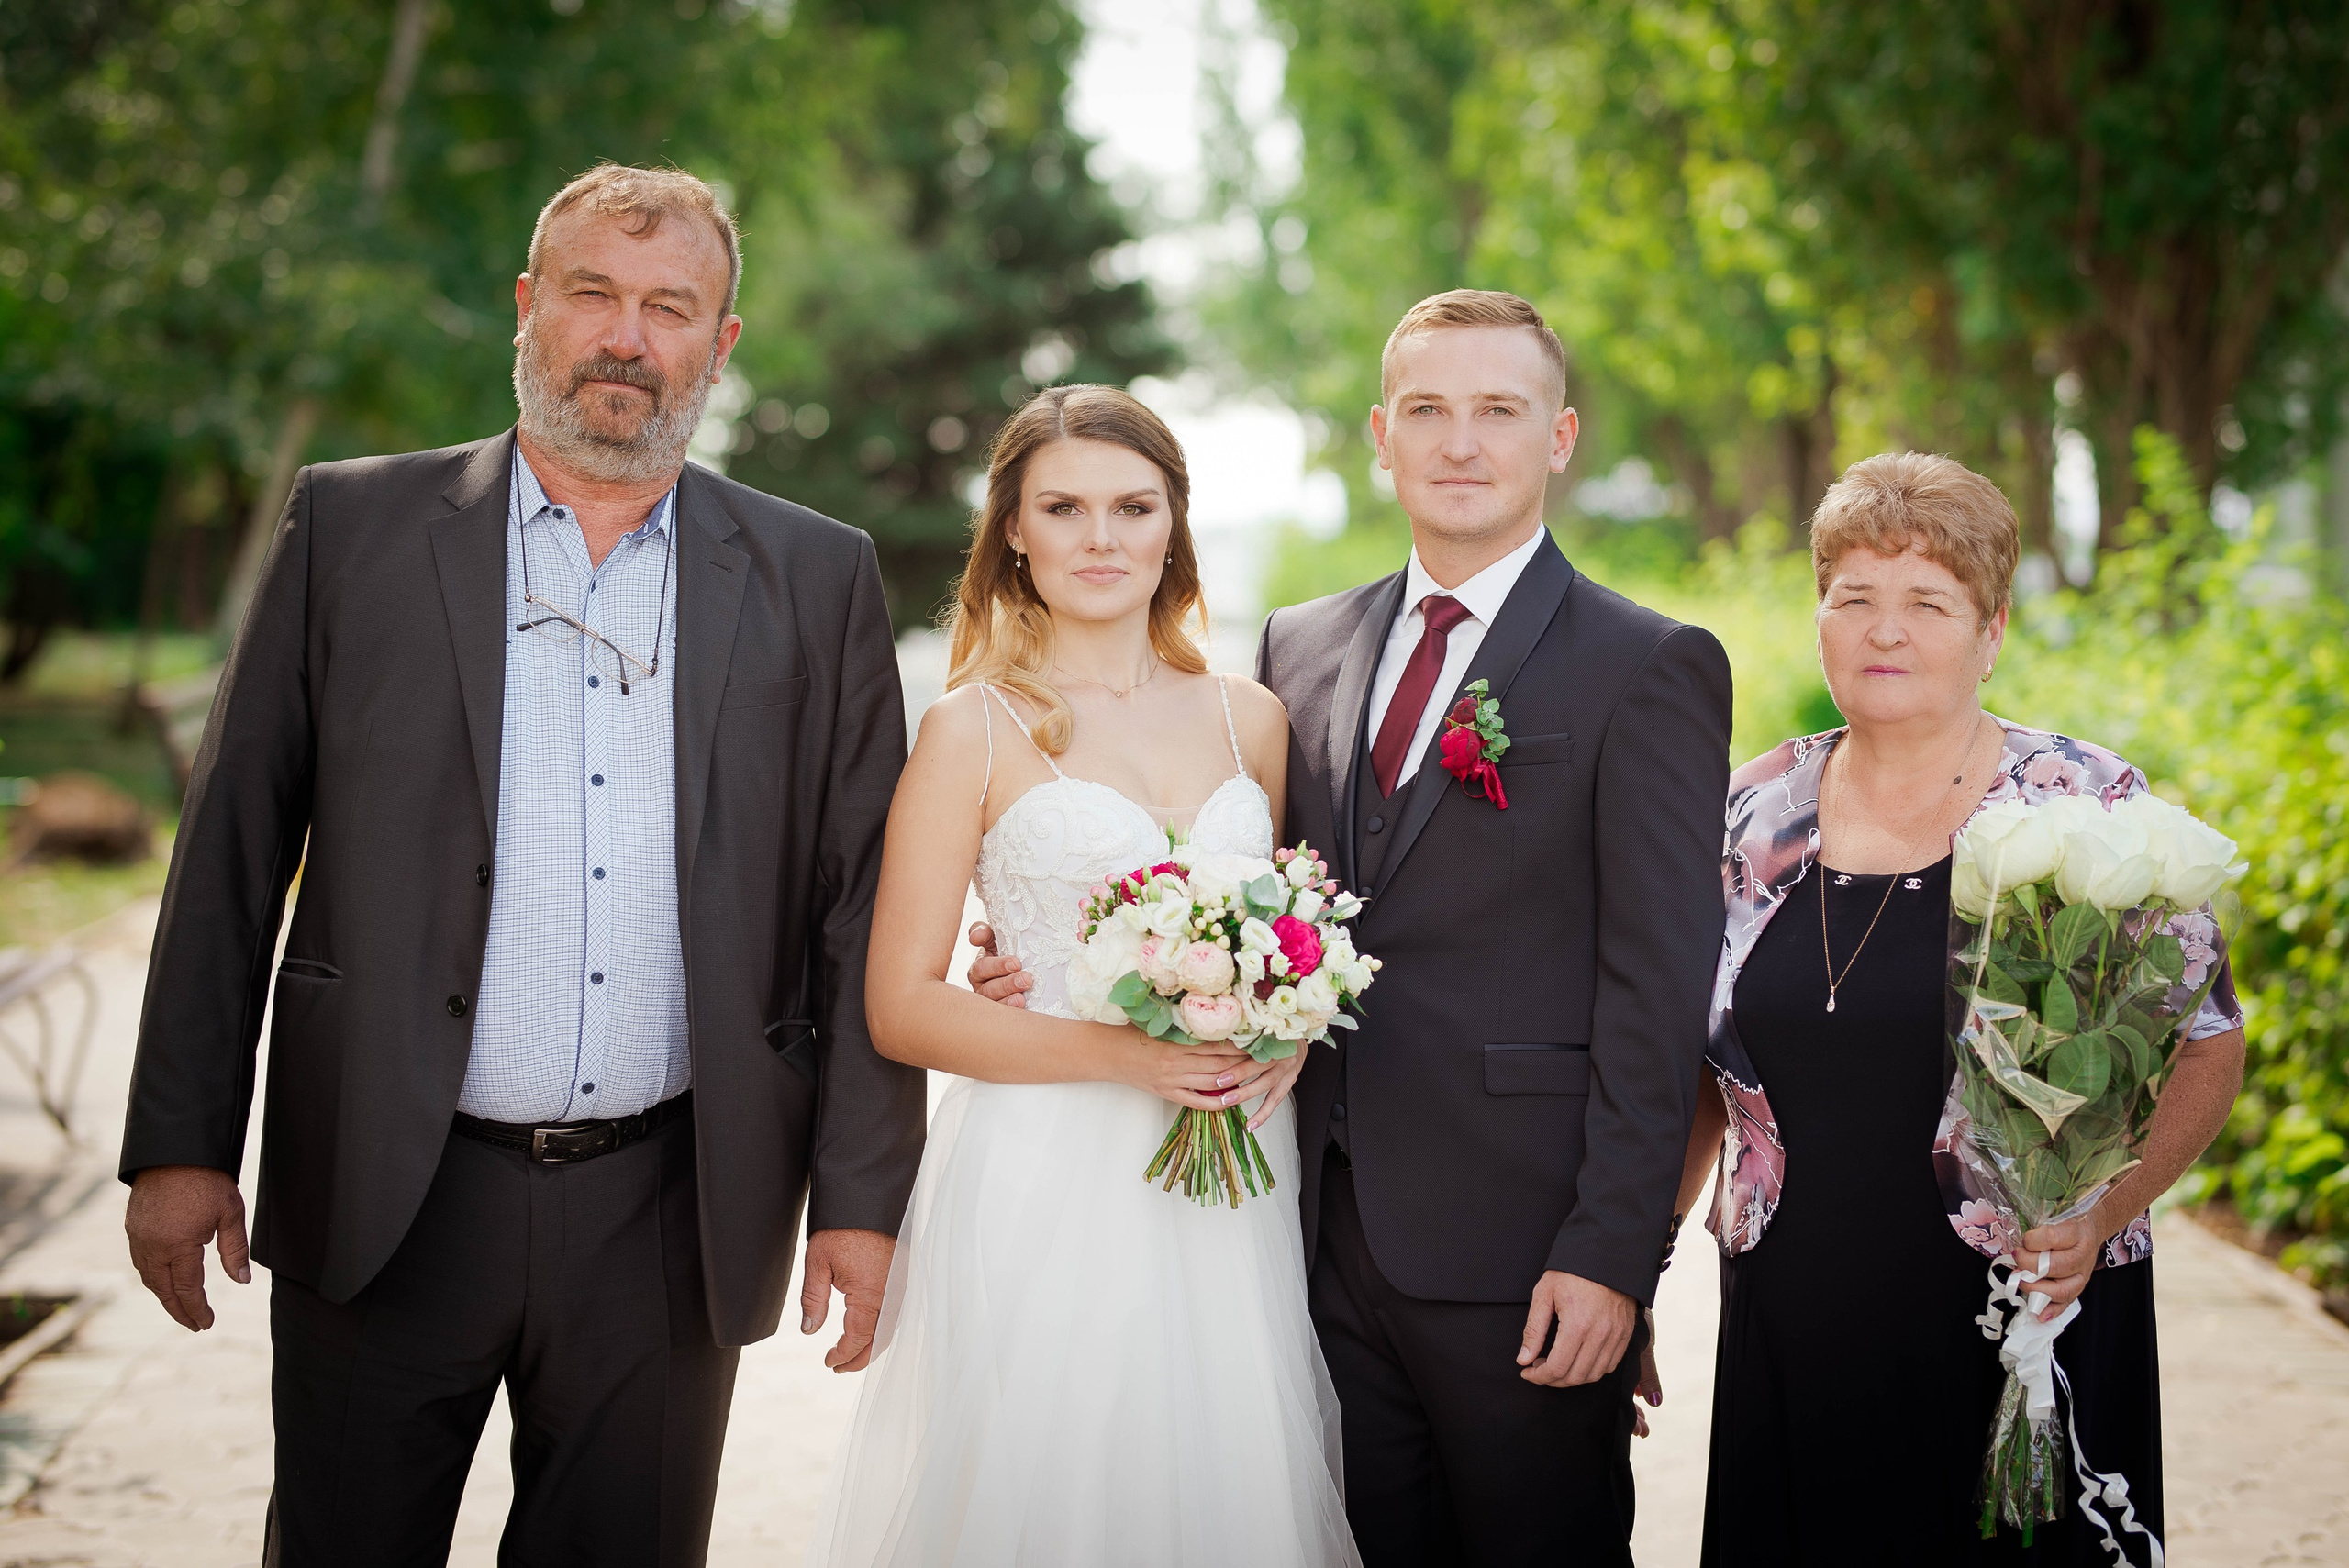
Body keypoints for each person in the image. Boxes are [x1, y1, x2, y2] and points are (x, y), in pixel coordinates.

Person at [119, 163, 928, 1565]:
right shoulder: (354, 528)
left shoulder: (816, 574)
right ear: (528, 309)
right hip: (387, 1185)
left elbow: (859, 908)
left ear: (720, 345)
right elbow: (234, 847)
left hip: (668, 1213)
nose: (628, 336)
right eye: (594, 295)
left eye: (671, 307)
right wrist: (183, 1141)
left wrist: (860, 1202)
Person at [973, 291, 1732, 1565]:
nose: (1461, 442)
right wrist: (1053, 969)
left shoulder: (1645, 664)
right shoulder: (1300, 649)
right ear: (1383, 435)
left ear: (1561, 436)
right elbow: (1249, 900)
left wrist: (1616, 1257)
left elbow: (1661, 992)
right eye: (1428, 410)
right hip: (1302, 1235)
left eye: (1500, 410)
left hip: (1522, 1252)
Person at [807, 384, 1359, 1566]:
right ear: (1014, 528)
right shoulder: (974, 728)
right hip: (1041, 1174)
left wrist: (1291, 1023)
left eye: (1131, 506)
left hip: (1230, 1178)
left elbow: (1294, 930)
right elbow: (901, 1004)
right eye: (1063, 507)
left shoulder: (1249, 719)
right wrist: (1129, 1051)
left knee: (1219, 1483)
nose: (1100, 538)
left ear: (1173, 525)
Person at [1684, 451, 2247, 1565]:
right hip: (1795, 1318)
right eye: (1854, 598)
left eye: (1927, 602)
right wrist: (1631, 1255)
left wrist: (2099, 1210)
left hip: (2021, 1313)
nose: (1883, 630)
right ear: (1819, 622)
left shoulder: (2085, 803)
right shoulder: (1751, 812)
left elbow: (2207, 1044)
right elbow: (1697, 1067)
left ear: (1990, 631)